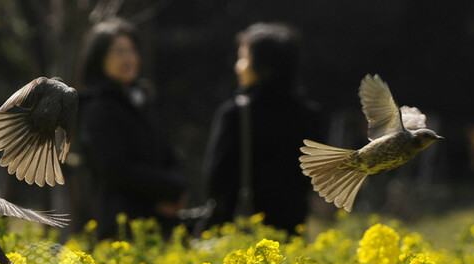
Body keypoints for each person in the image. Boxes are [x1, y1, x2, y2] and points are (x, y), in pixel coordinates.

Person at [202, 23, 323, 234]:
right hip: (292, 232)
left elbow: (215, 180)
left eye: (243, 58)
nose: (238, 66)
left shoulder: (236, 114)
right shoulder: (310, 116)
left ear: (263, 67)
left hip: (239, 232)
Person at [76, 18, 188, 239]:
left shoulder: (143, 100)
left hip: (161, 224)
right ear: (100, 59)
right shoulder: (97, 107)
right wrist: (167, 190)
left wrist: (179, 189)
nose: (128, 58)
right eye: (118, 51)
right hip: (123, 228)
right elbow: (115, 170)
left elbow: (167, 154)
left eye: (132, 50)